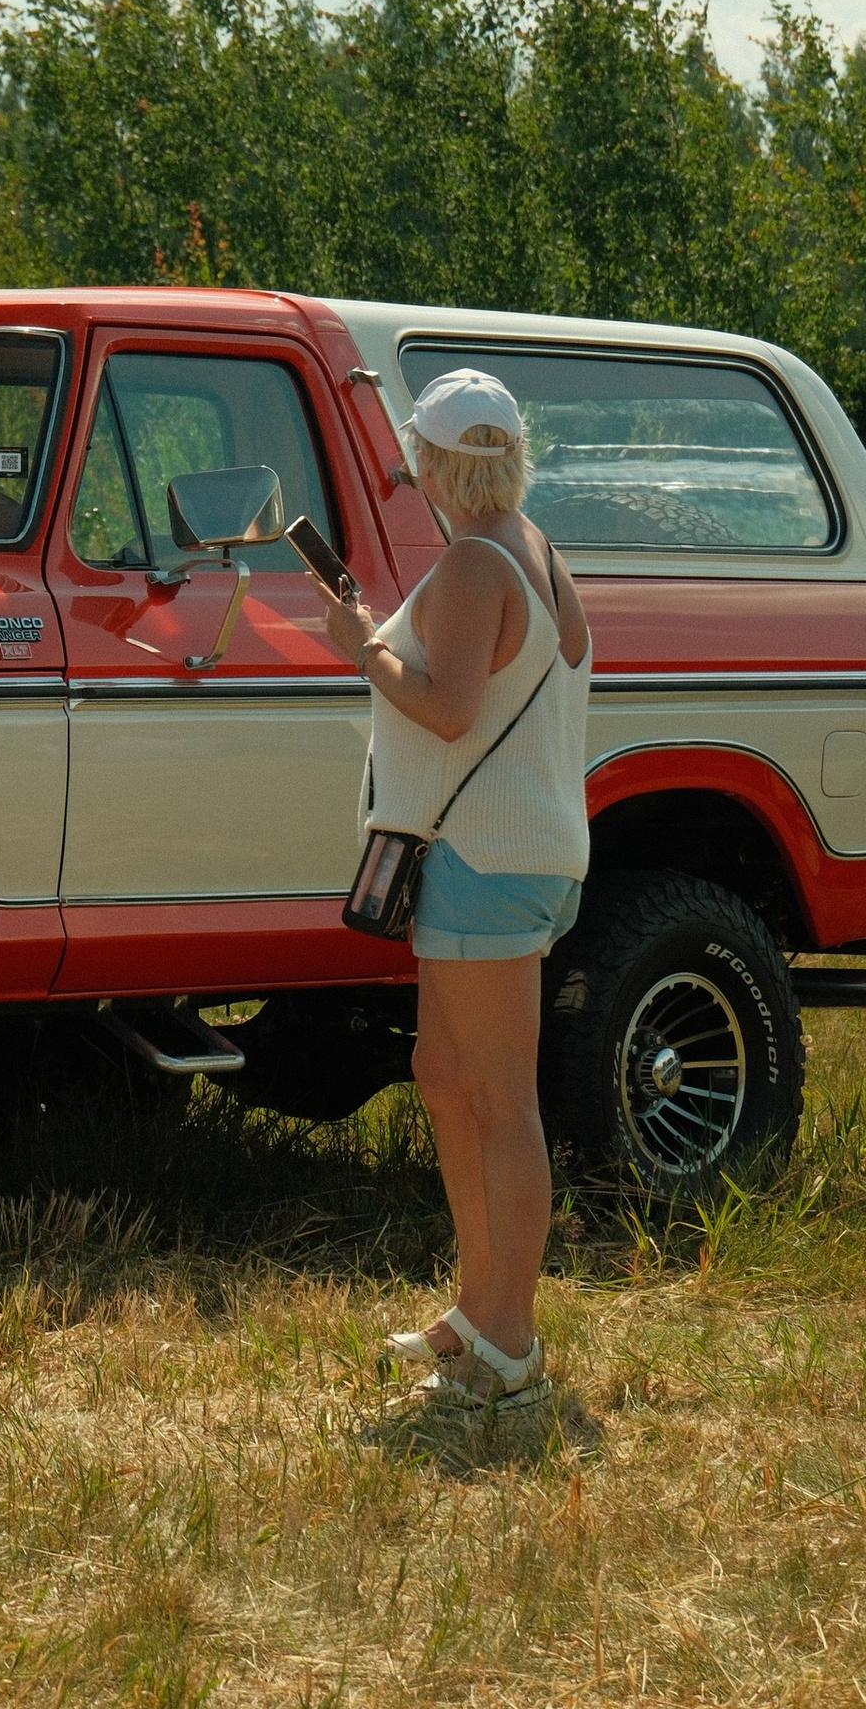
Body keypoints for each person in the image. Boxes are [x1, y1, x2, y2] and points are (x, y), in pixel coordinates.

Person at [321, 367, 593, 1416]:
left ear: (428, 463)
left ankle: (507, 1342)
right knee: (443, 1072)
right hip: (514, 851)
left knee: (498, 1101)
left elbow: (447, 708)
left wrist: (361, 647)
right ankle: (479, 1312)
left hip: (487, 857)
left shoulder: (478, 561)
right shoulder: (533, 547)